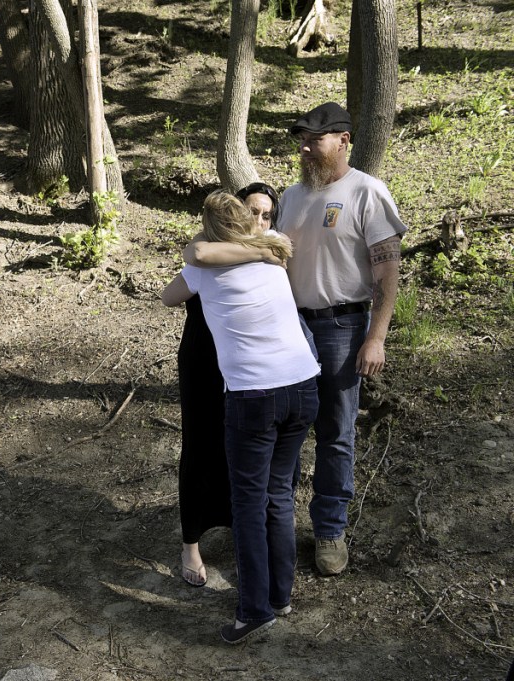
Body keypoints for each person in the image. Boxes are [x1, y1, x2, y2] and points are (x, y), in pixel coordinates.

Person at [186, 102, 407, 576]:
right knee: (279, 429)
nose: (305, 147)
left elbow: (388, 270)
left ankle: (329, 529)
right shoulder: (291, 195)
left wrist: (376, 337)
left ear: (344, 140)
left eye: (315, 139)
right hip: (291, 328)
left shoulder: (367, 192)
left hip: (344, 328)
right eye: (301, 139)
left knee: (335, 433)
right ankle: (274, 524)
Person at [163, 191, 320, 644]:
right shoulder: (272, 249)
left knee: (249, 504)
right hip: (303, 385)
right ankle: (280, 594)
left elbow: (167, 297)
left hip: (255, 395)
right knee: (278, 496)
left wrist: (200, 249)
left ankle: (254, 610)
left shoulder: (200, 267)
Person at [177, 182, 282, 588]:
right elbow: (179, 280)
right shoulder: (212, 251)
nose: (258, 221)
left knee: (243, 452)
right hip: (204, 361)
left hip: (247, 365)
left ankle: (243, 532)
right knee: (200, 443)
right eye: (251, 211)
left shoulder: (274, 251)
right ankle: (191, 543)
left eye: (266, 214)